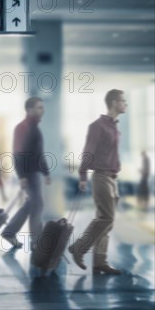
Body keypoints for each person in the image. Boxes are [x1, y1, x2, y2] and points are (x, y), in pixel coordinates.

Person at [69, 89, 127, 275]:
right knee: (105, 218)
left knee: (108, 223)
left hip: (113, 178)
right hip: (101, 177)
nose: (125, 104)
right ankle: (79, 247)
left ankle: (100, 262)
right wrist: (83, 176)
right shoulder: (98, 126)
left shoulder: (114, 126)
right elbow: (88, 151)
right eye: (123, 101)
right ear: (113, 103)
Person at [0, 97, 51, 250]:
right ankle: (37, 241)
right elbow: (16, 153)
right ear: (29, 110)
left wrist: (46, 172)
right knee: (37, 204)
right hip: (27, 174)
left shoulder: (35, 128)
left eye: (42, 107)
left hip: (34, 173)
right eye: (39, 107)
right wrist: (21, 176)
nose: (42, 110)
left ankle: (10, 232)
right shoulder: (22, 128)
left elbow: (39, 154)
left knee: (32, 204)